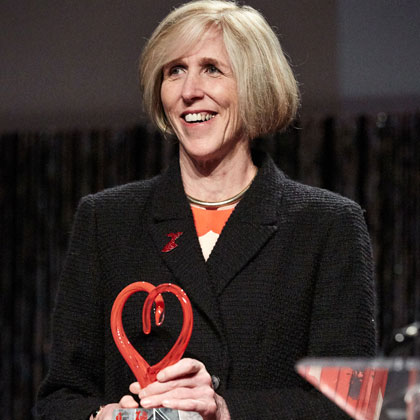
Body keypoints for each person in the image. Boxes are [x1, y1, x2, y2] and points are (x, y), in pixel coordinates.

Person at [35, 1, 376, 419]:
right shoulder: (106, 221)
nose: (189, 90)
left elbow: (352, 405)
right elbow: (59, 399)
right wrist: (99, 416)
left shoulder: (326, 225)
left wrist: (225, 410)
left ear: (255, 85)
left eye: (212, 69)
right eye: (175, 70)